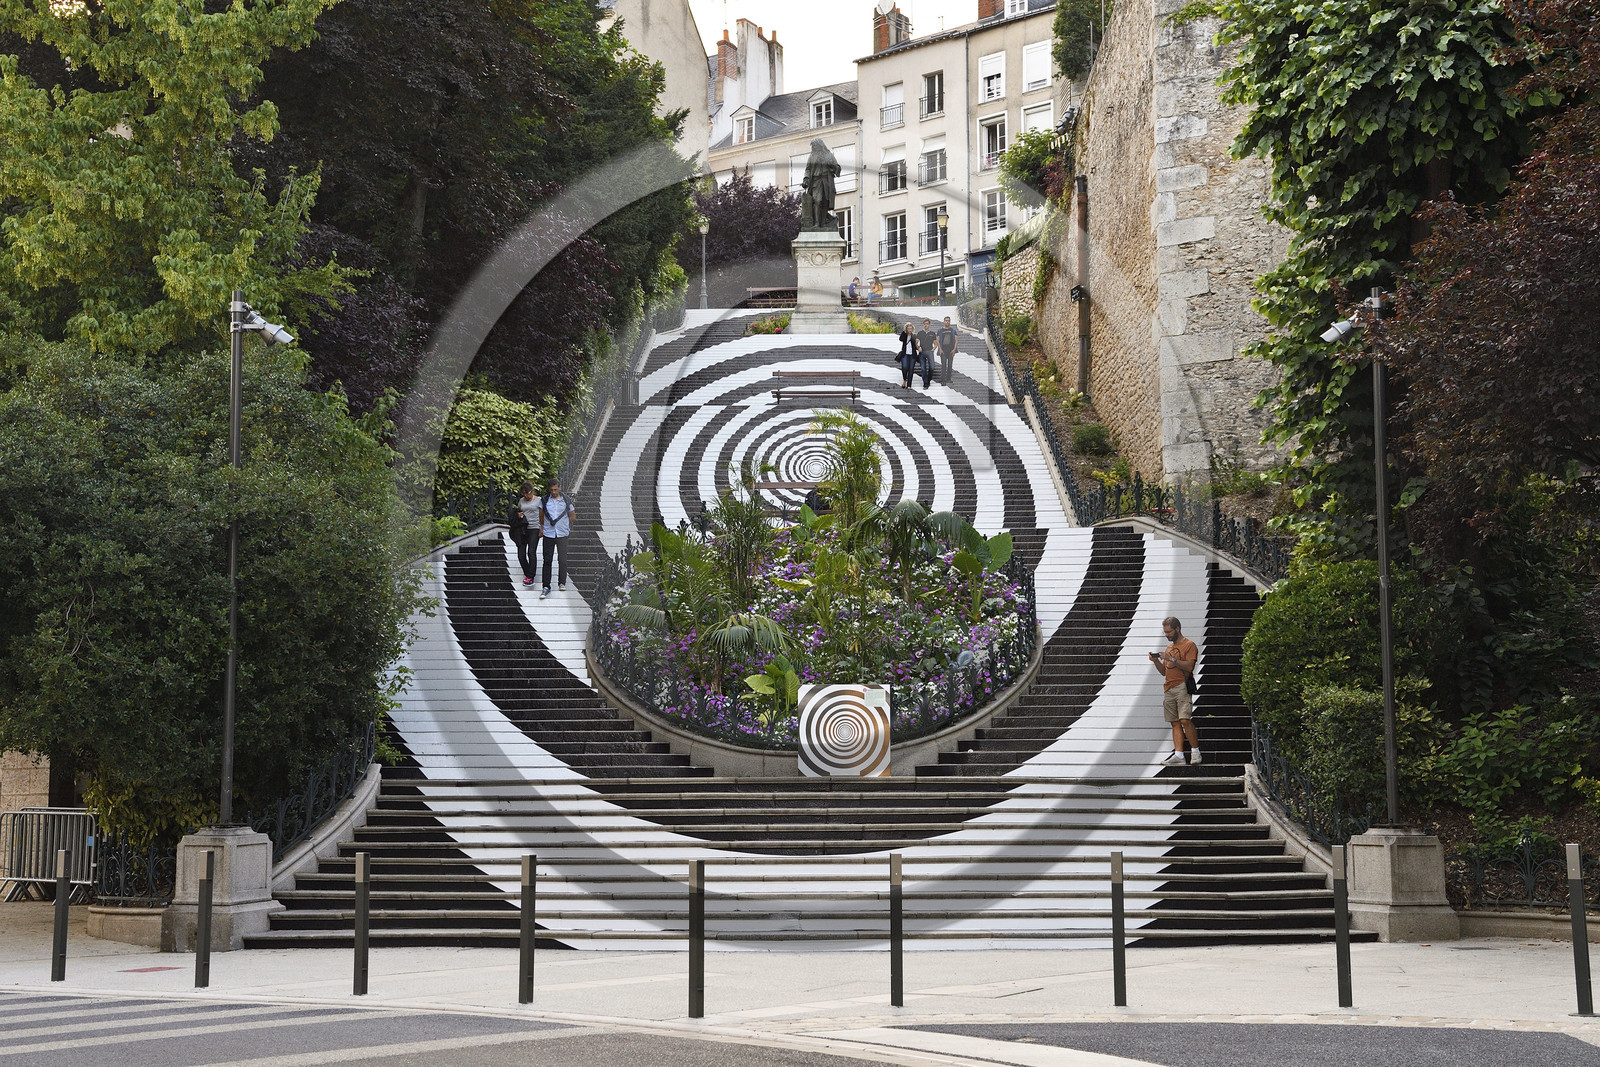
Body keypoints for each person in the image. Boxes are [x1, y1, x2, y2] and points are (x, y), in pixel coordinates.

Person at [1150, 616, 1200, 764]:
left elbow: (1190, 667)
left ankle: (1195, 752)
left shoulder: (1189, 645)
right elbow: (1164, 672)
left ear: (1177, 629)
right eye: (1165, 632)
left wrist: (1171, 658)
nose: (1167, 635)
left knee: (1185, 719)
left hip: (1182, 686)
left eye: (1169, 632)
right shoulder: (1169, 648)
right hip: (1169, 687)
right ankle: (1179, 755)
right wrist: (1156, 661)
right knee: (1175, 722)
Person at [538, 479, 574, 599]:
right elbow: (541, 516)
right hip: (549, 534)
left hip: (562, 533)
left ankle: (562, 582)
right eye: (551, 490)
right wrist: (543, 527)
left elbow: (572, 516)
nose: (554, 492)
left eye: (555, 489)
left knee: (562, 560)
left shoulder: (566, 500)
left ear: (560, 487)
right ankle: (546, 586)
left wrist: (563, 523)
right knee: (547, 560)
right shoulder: (544, 500)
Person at [512, 481, 541, 586]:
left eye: (527, 493)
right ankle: (528, 573)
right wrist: (518, 516)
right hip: (523, 529)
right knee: (521, 554)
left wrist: (542, 528)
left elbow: (542, 515)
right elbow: (518, 511)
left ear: (532, 491)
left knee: (531, 552)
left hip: (534, 528)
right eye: (523, 493)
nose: (526, 495)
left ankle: (530, 576)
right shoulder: (521, 501)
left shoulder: (539, 500)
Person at [936, 316, 959, 385]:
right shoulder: (940, 330)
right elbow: (937, 340)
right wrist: (940, 349)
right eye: (946, 320)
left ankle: (948, 379)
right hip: (943, 350)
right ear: (944, 322)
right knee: (943, 365)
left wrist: (954, 350)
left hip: (950, 350)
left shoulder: (953, 331)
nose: (947, 322)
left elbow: (956, 341)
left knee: (950, 365)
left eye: (948, 321)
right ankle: (943, 380)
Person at [896, 322, 921, 389]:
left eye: (911, 328)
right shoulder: (904, 335)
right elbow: (900, 339)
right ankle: (905, 379)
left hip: (912, 355)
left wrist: (919, 347)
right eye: (908, 328)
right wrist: (904, 332)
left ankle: (909, 384)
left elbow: (916, 346)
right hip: (905, 354)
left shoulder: (914, 336)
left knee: (911, 369)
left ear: (912, 329)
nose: (910, 330)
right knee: (904, 367)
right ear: (906, 329)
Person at [916, 318, 937, 388]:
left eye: (927, 324)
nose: (926, 325)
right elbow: (916, 342)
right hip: (922, 352)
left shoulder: (932, 333)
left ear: (929, 325)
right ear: (923, 325)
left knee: (932, 367)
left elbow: (935, 344)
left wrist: (932, 350)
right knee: (923, 368)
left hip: (929, 352)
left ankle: (928, 380)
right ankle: (925, 383)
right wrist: (918, 347)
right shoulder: (920, 333)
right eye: (924, 324)